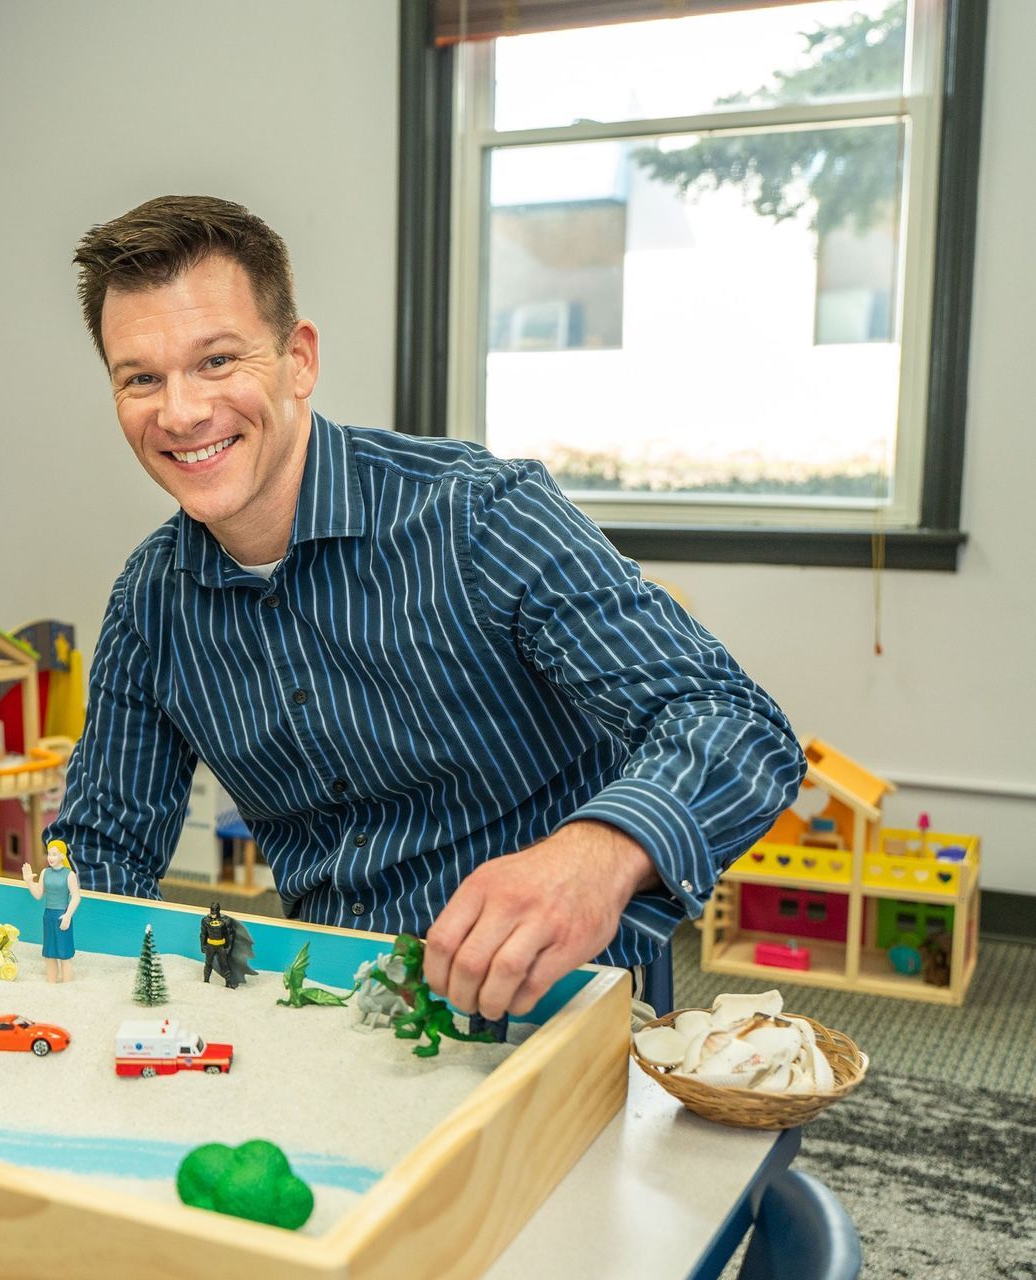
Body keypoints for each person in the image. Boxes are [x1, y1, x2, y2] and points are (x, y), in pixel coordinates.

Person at [47, 195, 804, 1022]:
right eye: (141, 379)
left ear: (298, 360)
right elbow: (105, 850)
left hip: (552, 1000)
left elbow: (733, 720)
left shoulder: (480, 515)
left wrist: (597, 855)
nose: (181, 412)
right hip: (334, 1006)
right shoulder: (150, 604)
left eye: (218, 361)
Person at [19, 840, 81, 983]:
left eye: (54, 854)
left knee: (64, 955)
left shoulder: (69, 875)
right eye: (49, 853)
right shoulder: (45, 873)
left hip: (62, 916)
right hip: (48, 916)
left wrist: (68, 915)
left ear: (62, 856)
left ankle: (68, 986)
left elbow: (76, 896)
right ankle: (51, 984)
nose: (50, 857)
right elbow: (38, 894)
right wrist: (29, 882)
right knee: (49, 954)